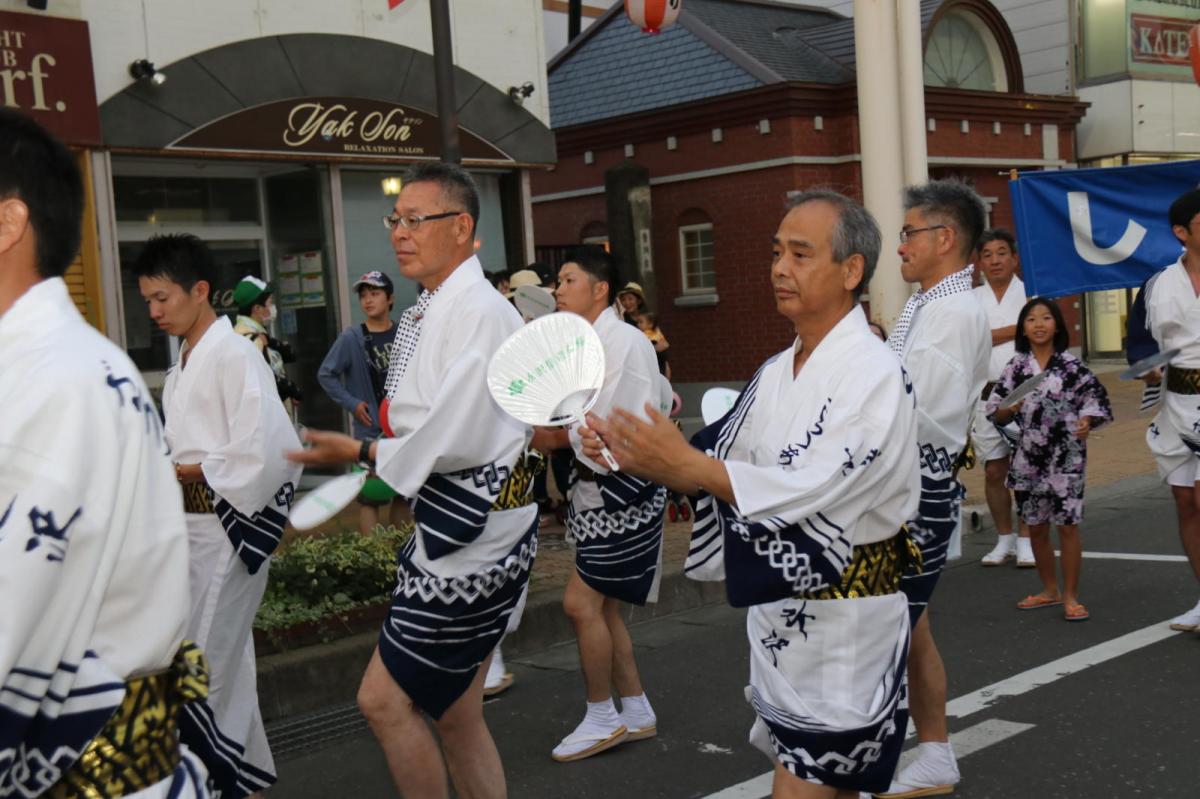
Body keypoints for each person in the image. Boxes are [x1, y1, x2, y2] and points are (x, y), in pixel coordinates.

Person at [583, 189, 920, 798]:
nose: (779, 269)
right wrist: (626, 447)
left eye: (799, 253)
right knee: (824, 783)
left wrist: (686, 463)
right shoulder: (776, 370)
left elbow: (817, 484)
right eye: (775, 253)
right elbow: (715, 461)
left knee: (804, 783)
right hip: (786, 617)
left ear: (852, 271)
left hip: (846, 622)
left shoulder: (874, 371)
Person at [288, 163, 538, 799]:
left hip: (475, 532)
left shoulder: (477, 312)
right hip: (468, 523)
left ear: (462, 228)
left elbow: (453, 433)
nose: (399, 233)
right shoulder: (437, 306)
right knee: (456, 714)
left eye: (414, 220)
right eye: (394, 220)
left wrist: (366, 451)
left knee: (383, 701)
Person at [0, 109, 211, 798]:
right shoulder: (68, 365)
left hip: (81, 760)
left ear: (9, 224)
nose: (153, 309)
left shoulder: (49, 381)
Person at [136, 233, 302, 798]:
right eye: (148, 302)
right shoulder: (185, 360)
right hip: (190, 531)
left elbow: (271, 447)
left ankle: (204, 785)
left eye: (163, 298)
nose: (155, 312)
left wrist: (187, 472)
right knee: (222, 667)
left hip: (228, 529)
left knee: (199, 667)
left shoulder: (233, 353)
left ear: (200, 290)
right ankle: (245, 779)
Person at [880, 180, 990, 799]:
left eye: (909, 233)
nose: (900, 246)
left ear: (944, 238)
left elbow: (920, 410)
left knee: (885, 631)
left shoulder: (950, 313)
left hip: (913, 493)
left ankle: (875, 757)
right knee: (909, 627)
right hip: (911, 487)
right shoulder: (933, 303)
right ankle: (935, 752)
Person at [535, 246, 667, 763]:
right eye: (558, 281)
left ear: (600, 290)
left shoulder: (625, 342)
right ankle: (633, 709)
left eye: (568, 280)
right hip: (599, 490)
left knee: (580, 603)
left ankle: (601, 714)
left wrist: (554, 434)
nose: (558, 290)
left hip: (624, 489)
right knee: (604, 606)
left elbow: (607, 422)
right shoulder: (584, 340)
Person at [986, 298, 1112, 621]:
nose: (1039, 324)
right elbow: (996, 411)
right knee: (1037, 527)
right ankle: (1049, 589)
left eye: (1046, 318)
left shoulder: (1073, 367)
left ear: (1057, 325)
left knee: (1067, 527)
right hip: (1028, 457)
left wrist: (1087, 420)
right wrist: (1008, 409)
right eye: (1031, 319)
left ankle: (1071, 596)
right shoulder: (1016, 367)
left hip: (1067, 458)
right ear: (1023, 329)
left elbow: (1096, 400)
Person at [1135, 188, 1200, 633]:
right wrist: (1145, 371)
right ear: (1182, 232)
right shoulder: (1158, 284)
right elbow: (1138, 344)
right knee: (1186, 502)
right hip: (1176, 401)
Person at [317, 270, 400, 533]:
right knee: (371, 495)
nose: (367, 300)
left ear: (390, 299)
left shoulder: (403, 333)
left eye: (374, 293)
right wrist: (352, 403)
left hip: (401, 429)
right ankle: (374, 558)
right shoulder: (351, 338)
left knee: (403, 492)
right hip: (369, 432)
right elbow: (325, 374)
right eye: (363, 295)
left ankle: (401, 552)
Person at [973, 229, 1033, 567]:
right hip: (985, 395)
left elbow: (1041, 330)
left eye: (1001, 253)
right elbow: (971, 341)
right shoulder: (971, 300)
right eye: (987, 255)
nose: (994, 260)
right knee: (994, 470)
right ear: (979, 262)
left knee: (1024, 470)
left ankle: (1026, 539)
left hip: (1025, 394)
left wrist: (994, 334)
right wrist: (1019, 326)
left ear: (1014, 258)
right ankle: (1004, 538)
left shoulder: (1031, 292)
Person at [232, 275, 303, 419]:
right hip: (266, 422)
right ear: (257, 308)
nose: (272, 308)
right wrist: (290, 389)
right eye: (270, 303)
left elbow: (290, 354)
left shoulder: (256, 334)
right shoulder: (249, 340)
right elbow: (262, 381)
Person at [635, 310, 671, 378]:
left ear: (650, 324)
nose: (638, 324)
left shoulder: (644, 334)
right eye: (638, 322)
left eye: (641, 322)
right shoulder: (657, 332)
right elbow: (665, 344)